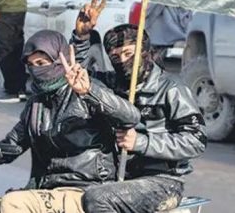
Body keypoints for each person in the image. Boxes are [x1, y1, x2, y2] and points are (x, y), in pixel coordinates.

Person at [0, 9, 140, 213]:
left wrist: (90, 92)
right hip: (49, 188)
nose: (37, 70)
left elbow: (131, 115)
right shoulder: (36, 104)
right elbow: (10, 148)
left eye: (42, 63)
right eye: (31, 65)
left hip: (87, 189)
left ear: (59, 60)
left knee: (13, 203)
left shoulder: (85, 91)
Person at [79, 24, 207, 213]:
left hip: (161, 181)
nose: (123, 61)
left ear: (146, 51)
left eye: (129, 54)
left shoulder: (171, 89)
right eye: (115, 57)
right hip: (114, 175)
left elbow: (196, 140)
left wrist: (141, 142)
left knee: (97, 199)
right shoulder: (110, 84)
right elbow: (74, 76)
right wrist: (81, 37)